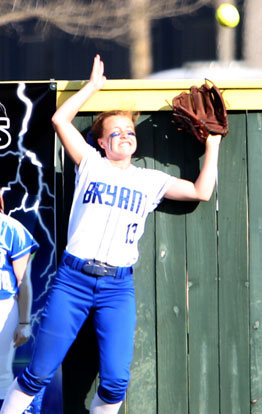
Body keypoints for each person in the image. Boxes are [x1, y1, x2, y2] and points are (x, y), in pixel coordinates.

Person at [0, 55, 222, 414]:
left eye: (130, 132)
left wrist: (212, 147)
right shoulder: (90, 164)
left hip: (117, 287)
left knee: (116, 381)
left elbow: (201, 192)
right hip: (72, 279)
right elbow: (59, 119)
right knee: (38, 371)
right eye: (115, 132)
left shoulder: (149, 180)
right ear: (101, 143)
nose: (124, 137)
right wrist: (92, 87)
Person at [0, 190, 42, 413]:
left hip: (3, 305)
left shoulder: (10, 227)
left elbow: (22, 278)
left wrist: (24, 323)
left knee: (1, 375)